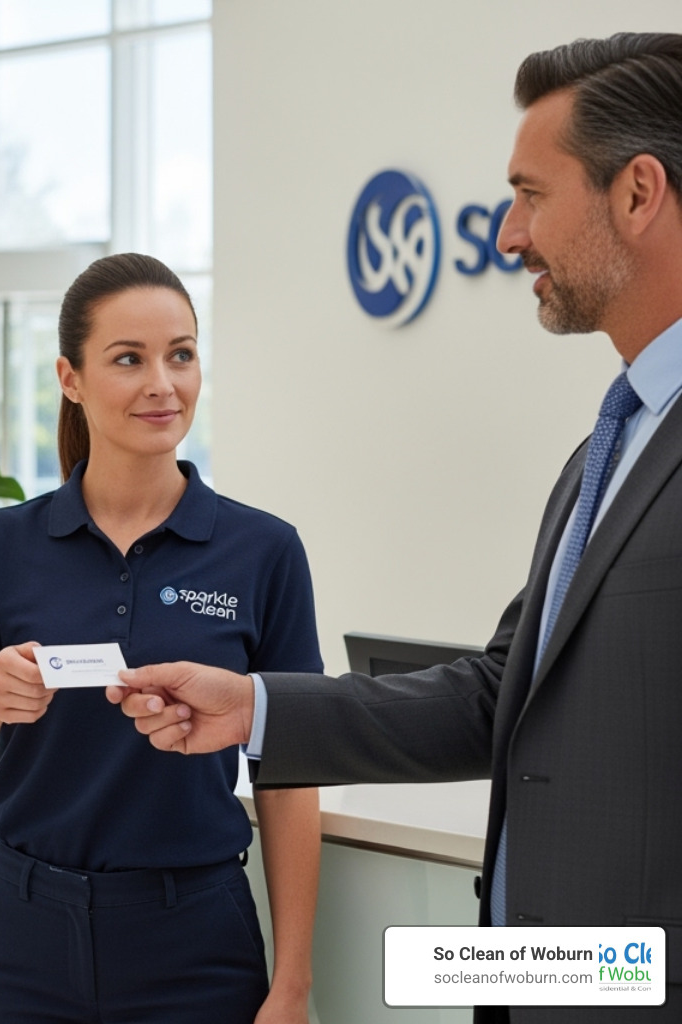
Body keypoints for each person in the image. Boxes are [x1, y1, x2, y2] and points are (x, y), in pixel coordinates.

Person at [109, 33, 682, 1024]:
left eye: (531, 195)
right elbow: (501, 695)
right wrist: (253, 709)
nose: (508, 236)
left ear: (638, 194)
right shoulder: (608, 447)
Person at [0, 253, 322, 1024]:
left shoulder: (265, 552)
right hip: (19, 939)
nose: (161, 384)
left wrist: (293, 979)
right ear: (70, 377)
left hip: (195, 943)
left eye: (181, 355)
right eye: (128, 360)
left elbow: (290, 774)